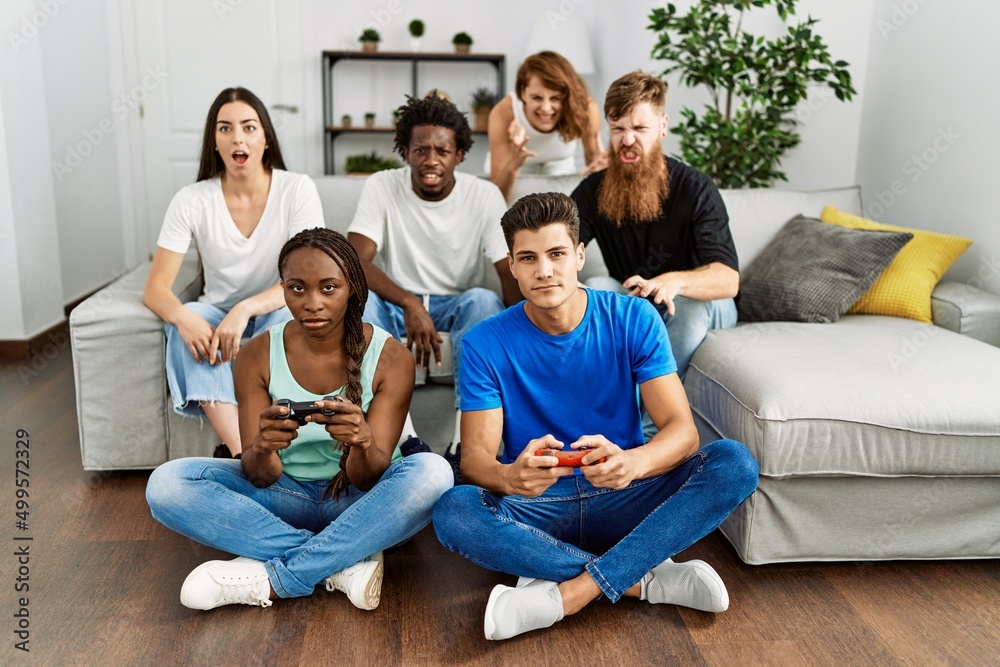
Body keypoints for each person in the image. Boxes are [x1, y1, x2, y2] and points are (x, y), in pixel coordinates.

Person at [432, 193, 758, 641]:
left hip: (624, 495)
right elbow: (475, 460)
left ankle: (566, 594)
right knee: (454, 511)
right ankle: (643, 580)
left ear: (580, 255)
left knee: (734, 463)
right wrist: (511, 478)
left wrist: (633, 463)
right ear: (511, 265)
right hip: (537, 508)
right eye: (528, 258)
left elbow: (682, 433)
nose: (543, 270)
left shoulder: (634, 317)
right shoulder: (485, 341)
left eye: (556, 254)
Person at [146, 228, 453, 611]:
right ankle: (340, 562)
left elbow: (370, 476)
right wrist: (261, 447)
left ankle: (278, 576)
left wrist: (362, 441)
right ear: (283, 289)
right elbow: (260, 476)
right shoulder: (257, 353)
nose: (311, 304)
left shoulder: (391, 357)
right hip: (284, 496)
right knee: (166, 485)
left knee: (435, 473)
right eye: (297, 289)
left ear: (353, 288)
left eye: (328, 288)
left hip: (360, 499)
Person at [143, 87, 324, 458]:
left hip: (277, 308)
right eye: (225, 128)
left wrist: (244, 310)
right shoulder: (191, 199)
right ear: (214, 141)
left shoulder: (297, 189)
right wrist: (183, 316)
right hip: (216, 312)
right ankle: (246, 453)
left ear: (266, 138)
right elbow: (156, 290)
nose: (237, 137)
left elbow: (305, 280)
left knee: (294, 314)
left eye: (248, 127)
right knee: (183, 325)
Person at [347, 92, 522, 467]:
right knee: (361, 301)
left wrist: (528, 326)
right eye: (420, 150)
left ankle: (462, 445)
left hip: (458, 304)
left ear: (458, 155)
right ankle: (406, 439)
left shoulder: (484, 195)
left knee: (483, 301)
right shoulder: (382, 185)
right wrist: (409, 302)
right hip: (398, 303)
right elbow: (353, 259)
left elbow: (507, 272)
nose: (430, 161)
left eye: (442, 151)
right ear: (405, 152)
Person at [570, 71, 740, 386]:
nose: (627, 139)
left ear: (662, 127)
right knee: (594, 285)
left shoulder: (696, 187)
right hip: (636, 300)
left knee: (688, 306)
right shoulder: (594, 188)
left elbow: (729, 280)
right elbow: (561, 246)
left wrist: (672, 282)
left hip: (698, 302)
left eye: (639, 128)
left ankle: (650, 423)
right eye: (618, 128)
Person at [488, 51, 608, 202]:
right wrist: (513, 162)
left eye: (555, 98)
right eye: (537, 97)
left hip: (560, 172)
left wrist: (605, 170)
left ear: (567, 96)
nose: (546, 108)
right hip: (516, 173)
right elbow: (498, 198)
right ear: (523, 92)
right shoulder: (504, 113)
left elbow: (594, 169)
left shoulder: (586, 109)